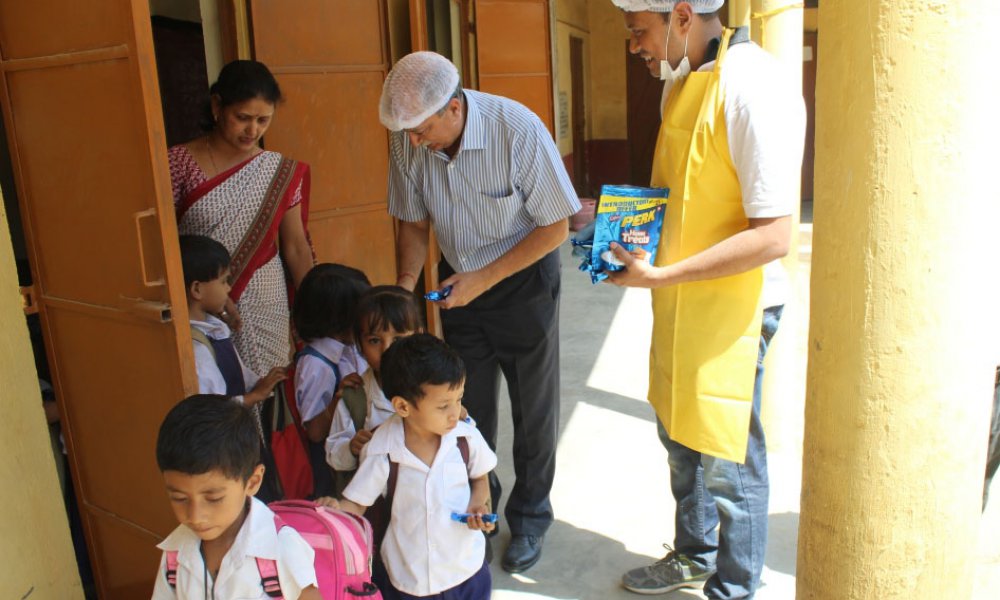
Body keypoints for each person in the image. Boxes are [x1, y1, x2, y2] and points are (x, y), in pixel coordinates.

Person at [607, 2, 804, 599]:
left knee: (727, 457)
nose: (636, 45)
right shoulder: (683, 85)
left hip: (735, 308)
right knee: (681, 437)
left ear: (682, 16)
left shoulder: (752, 87)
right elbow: (678, 195)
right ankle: (694, 554)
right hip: (681, 297)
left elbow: (772, 235)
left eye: (640, 31)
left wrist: (663, 277)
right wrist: (612, 219)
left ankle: (736, 586)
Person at [381, 51, 580, 572]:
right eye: (408, 134)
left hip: (523, 282)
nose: (415, 143)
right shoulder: (411, 142)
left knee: (533, 409)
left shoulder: (517, 129)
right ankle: (481, 508)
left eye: (422, 130)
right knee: (464, 412)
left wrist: (483, 280)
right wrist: (406, 289)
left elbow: (556, 226)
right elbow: (412, 221)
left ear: (453, 107)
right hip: (458, 285)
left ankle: (532, 517)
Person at [169, 59, 314, 383]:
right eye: (243, 118)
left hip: (265, 300)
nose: (253, 131)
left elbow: (295, 247)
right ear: (217, 106)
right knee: (213, 389)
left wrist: (317, 316)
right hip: (199, 298)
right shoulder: (178, 162)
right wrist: (208, 292)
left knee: (269, 385)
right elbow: (164, 240)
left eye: (264, 120)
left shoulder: (277, 171)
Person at [331, 333, 497, 600]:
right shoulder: (382, 451)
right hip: (410, 582)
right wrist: (333, 510)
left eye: (459, 399)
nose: (456, 412)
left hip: (467, 572)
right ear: (403, 406)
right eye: (443, 405)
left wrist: (477, 504)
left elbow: (480, 476)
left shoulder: (465, 438)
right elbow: (357, 503)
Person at [151, 395, 321, 599]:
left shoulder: (281, 548)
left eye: (213, 499)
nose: (195, 516)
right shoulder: (174, 553)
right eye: (179, 498)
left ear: (253, 481)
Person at [324, 285, 424, 481]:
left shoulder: (435, 384)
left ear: (419, 336)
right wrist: (351, 448)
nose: (387, 350)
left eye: (397, 339)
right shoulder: (355, 397)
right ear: (360, 345)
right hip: (376, 503)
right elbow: (334, 455)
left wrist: (457, 414)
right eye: (375, 340)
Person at [179, 235, 286, 405]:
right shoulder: (196, 350)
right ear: (197, 289)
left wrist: (260, 383)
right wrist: (254, 397)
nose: (228, 288)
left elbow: (239, 374)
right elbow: (214, 407)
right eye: (223, 282)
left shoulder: (215, 328)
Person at [293, 263, 371, 497]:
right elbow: (315, 432)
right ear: (340, 319)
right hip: (331, 469)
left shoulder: (352, 349)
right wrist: (338, 399)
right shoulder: (317, 365)